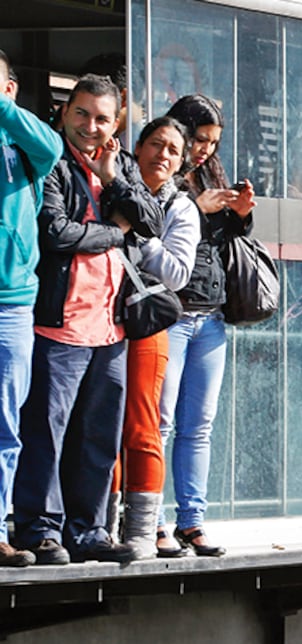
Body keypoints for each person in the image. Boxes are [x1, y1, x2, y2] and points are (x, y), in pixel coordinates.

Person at [14, 74, 162, 564]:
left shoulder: (121, 165)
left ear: (116, 123)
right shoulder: (50, 160)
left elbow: (152, 222)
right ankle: (40, 530)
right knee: (46, 434)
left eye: (102, 118)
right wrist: (116, 232)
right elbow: (56, 232)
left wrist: (114, 178)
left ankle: (89, 530)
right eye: (81, 113)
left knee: (98, 438)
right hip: (58, 324)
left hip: (110, 327)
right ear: (64, 112)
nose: (90, 126)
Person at [158, 94, 253, 558]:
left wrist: (240, 215)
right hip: (170, 313)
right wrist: (197, 207)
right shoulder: (161, 173)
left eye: (212, 143)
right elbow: (151, 231)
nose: (203, 150)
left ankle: (191, 521)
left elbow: (220, 243)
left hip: (210, 314)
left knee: (198, 426)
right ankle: (149, 518)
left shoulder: (210, 174)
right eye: (199, 139)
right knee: (159, 422)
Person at [113, 116, 201, 559]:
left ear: (181, 161)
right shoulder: (112, 184)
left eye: (172, 150)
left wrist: (138, 232)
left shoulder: (181, 208)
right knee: (101, 423)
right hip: (96, 314)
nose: (161, 155)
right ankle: (100, 524)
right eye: (154, 144)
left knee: (145, 423)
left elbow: (178, 273)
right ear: (138, 146)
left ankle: (144, 530)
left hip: (145, 322)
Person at [0, 49, 60, 567]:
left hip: (12, 306)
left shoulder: (22, 144)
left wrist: (2, 111)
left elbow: (53, 147)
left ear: (10, 90)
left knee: (4, 426)